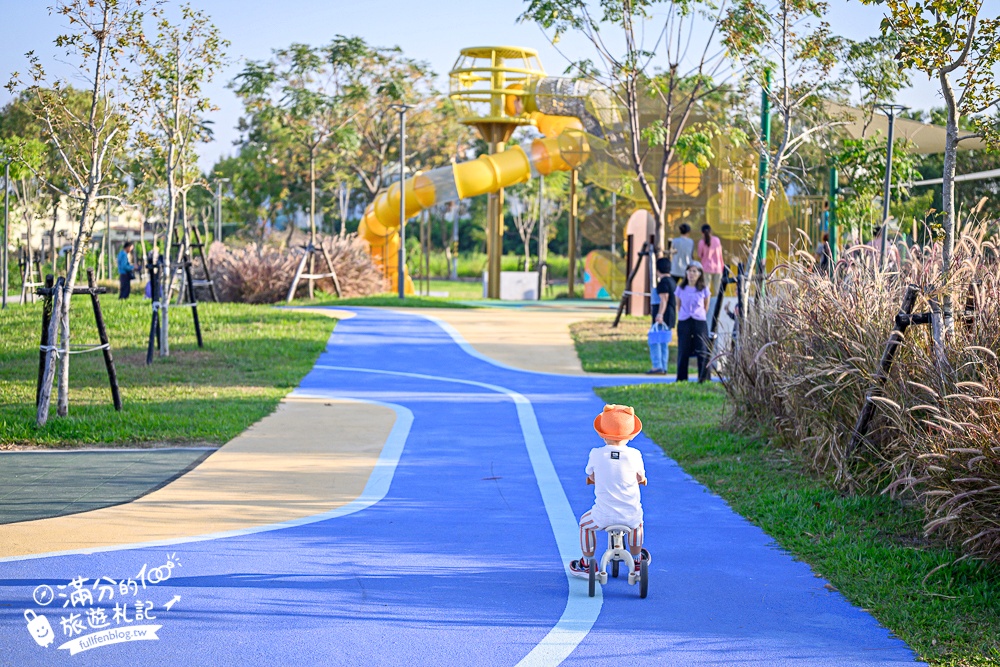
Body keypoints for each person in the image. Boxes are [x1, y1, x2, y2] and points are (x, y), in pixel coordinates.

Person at [569, 404, 648, 578]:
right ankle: (636, 558)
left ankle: (587, 562)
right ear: (631, 435)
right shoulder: (635, 455)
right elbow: (640, 476)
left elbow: (591, 474)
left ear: (602, 434)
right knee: (638, 523)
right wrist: (641, 480)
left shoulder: (596, 454)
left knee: (584, 524)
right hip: (629, 514)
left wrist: (593, 479)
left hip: (602, 515)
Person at [674, 261, 711, 382]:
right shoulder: (681, 288)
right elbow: (678, 304)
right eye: (689, 271)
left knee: (702, 348)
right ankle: (681, 378)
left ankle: (703, 377)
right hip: (684, 320)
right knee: (683, 349)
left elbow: (706, 305)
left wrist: (700, 314)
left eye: (694, 271)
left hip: (699, 320)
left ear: (700, 273)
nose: (691, 274)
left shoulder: (703, 289)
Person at [646, 257, 677, 375]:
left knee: (655, 341)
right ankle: (663, 366)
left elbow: (664, 299)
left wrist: (659, 314)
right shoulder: (672, 281)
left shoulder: (663, 283)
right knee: (664, 342)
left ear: (658, 269)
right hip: (670, 316)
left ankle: (657, 365)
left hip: (662, 317)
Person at [697, 224, 724, 329]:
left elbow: (700, 255)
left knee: (706, 290)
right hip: (718, 268)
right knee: (718, 291)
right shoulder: (716, 240)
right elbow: (720, 254)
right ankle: (718, 309)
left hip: (706, 268)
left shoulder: (701, 242)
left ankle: (706, 309)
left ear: (702, 232)